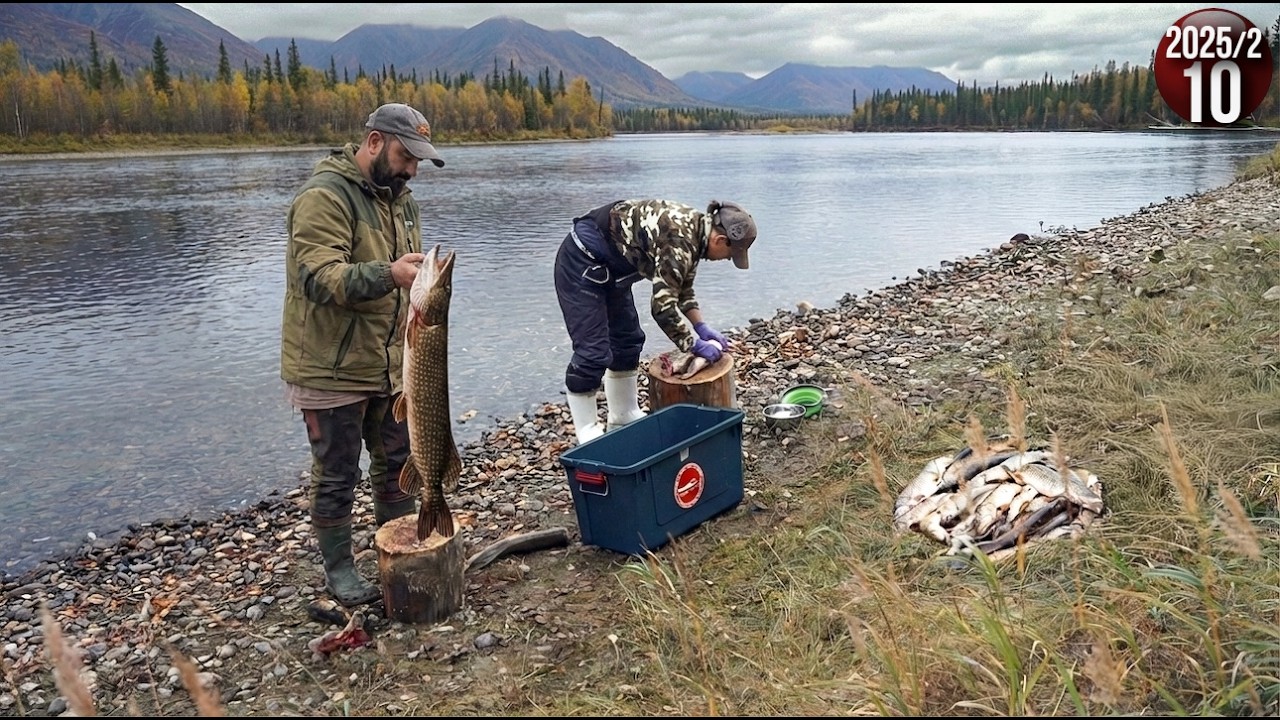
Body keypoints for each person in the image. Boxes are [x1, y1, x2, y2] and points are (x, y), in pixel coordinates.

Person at [279, 102, 446, 607]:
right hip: (329, 367)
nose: (412, 169)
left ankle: (395, 546)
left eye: (418, 160)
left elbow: (408, 289)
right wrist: (387, 273)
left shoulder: (402, 201)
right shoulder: (323, 197)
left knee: (398, 461)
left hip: (392, 362)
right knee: (337, 472)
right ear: (374, 142)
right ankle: (339, 571)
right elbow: (317, 277)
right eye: (405, 156)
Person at [553, 198, 758, 443]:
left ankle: (623, 414)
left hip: (612, 268)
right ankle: (587, 431)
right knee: (593, 352)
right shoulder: (681, 241)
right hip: (582, 261)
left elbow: (682, 290)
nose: (726, 260)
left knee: (628, 340)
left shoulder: (696, 233)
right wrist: (693, 345)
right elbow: (662, 308)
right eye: (729, 254)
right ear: (720, 240)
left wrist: (701, 326)